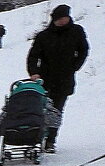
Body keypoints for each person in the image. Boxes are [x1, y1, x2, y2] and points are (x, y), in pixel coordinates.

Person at [27, 4, 89, 152]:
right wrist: (33, 72)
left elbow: (83, 50)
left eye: (65, 18)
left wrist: (74, 67)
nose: (62, 21)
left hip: (65, 78)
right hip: (44, 78)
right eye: (59, 19)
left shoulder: (77, 31)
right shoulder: (43, 35)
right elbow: (33, 55)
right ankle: (36, 137)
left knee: (56, 110)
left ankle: (50, 141)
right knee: (40, 109)